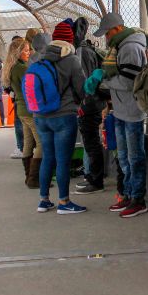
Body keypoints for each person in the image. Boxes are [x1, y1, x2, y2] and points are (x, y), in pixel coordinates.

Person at [84, 13, 148, 218]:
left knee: (134, 157)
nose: (106, 38)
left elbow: (130, 82)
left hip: (132, 111)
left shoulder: (130, 47)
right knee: (124, 157)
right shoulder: (119, 46)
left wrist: (103, 82)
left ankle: (138, 199)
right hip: (121, 110)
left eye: (108, 33)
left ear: (118, 28)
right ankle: (129, 194)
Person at [34, 21, 87, 214]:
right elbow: (81, 89)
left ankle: (44, 200)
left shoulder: (40, 59)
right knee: (63, 159)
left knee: (48, 157)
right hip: (64, 115)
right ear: (70, 41)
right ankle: (64, 202)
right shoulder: (72, 60)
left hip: (40, 116)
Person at [72, 17, 107, 195]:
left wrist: (82, 103)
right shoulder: (87, 50)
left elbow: (83, 81)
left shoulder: (81, 52)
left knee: (91, 143)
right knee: (91, 142)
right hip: (93, 103)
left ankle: (96, 180)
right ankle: (92, 176)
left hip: (89, 104)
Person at [3, 37, 42, 189]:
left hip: (21, 109)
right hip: (29, 109)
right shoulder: (22, 68)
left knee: (28, 143)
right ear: (17, 52)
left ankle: (28, 177)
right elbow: (32, 88)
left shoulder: (13, 67)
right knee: (41, 144)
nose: (29, 52)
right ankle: (34, 178)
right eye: (25, 50)